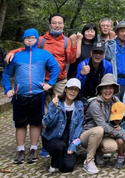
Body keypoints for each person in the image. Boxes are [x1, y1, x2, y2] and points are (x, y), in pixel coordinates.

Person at [2, 28, 60, 164]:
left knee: (36, 123)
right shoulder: (16, 56)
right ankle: (20, 150)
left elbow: (55, 68)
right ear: (23, 40)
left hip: (37, 94)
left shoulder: (44, 54)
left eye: (32, 38)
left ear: (36, 40)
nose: (30, 40)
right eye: (27, 38)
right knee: (20, 124)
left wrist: (50, 83)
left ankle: (33, 149)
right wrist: (7, 89)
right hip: (19, 95)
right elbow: (6, 74)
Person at [5, 14, 78, 112]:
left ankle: (59, 127)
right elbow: (27, 49)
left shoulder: (67, 41)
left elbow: (71, 60)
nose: (57, 25)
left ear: (63, 25)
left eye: (60, 23)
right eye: (54, 23)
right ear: (50, 25)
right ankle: (43, 127)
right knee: (43, 108)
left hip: (60, 79)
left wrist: (73, 45)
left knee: (60, 106)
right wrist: (13, 52)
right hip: (43, 79)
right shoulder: (40, 40)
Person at [80, 74, 125, 174]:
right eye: (105, 88)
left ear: (114, 89)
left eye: (110, 88)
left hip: (104, 135)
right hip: (88, 135)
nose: (108, 91)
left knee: (112, 147)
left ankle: (98, 152)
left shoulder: (115, 100)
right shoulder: (95, 104)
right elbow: (103, 126)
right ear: (100, 90)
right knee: (99, 130)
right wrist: (124, 135)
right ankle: (88, 161)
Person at [41, 78, 83, 173]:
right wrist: (54, 108)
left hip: (68, 141)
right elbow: (47, 123)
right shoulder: (57, 102)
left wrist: (73, 145)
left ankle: (61, 157)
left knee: (68, 167)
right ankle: (54, 163)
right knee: (59, 146)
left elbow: (78, 128)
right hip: (52, 138)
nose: (73, 92)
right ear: (65, 89)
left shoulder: (79, 105)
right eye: (70, 88)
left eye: (76, 89)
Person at [105, 21, 125, 101]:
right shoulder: (111, 44)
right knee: (113, 107)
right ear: (117, 32)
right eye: (122, 31)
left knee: (123, 107)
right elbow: (108, 56)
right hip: (114, 81)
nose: (124, 34)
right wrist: (110, 41)